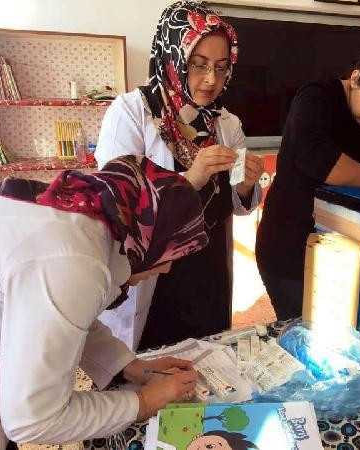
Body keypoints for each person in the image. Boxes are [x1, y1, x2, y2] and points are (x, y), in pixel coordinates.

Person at [0, 155, 208, 449]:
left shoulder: (83, 215)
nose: (166, 268)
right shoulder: (73, 260)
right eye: (170, 253)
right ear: (148, 235)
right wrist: (143, 402)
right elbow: (33, 420)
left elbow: (62, 318)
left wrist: (129, 366)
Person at [95, 1, 263, 351]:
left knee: (207, 360)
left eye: (221, 67)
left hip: (209, 269)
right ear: (172, 57)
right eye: (198, 64)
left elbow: (237, 204)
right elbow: (115, 205)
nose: (211, 80)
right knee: (147, 367)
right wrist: (190, 179)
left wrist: (246, 186)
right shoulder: (132, 113)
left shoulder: (226, 123)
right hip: (153, 273)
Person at [255, 27, 360, 321]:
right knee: (299, 326)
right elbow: (316, 158)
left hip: (338, 244)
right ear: (355, 78)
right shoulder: (317, 96)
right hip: (289, 241)